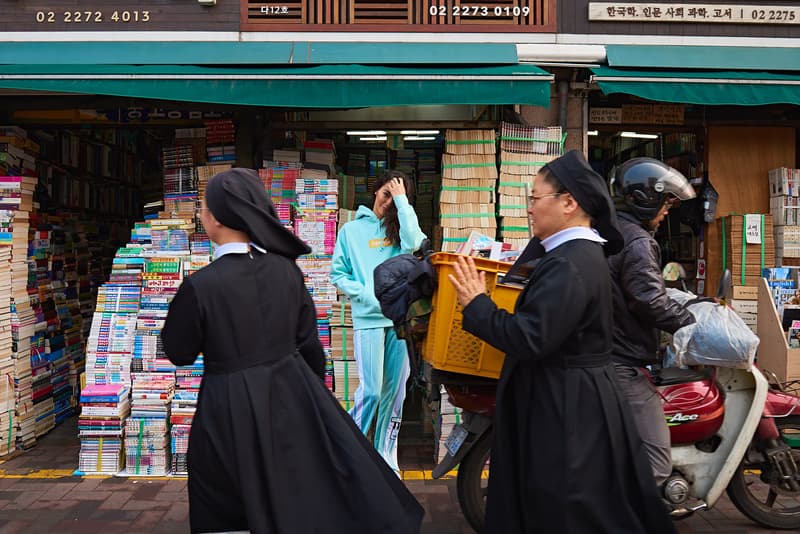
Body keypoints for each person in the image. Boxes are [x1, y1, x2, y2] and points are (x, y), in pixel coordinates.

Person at [161, 168, 423, 534]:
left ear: (217, 218)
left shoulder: (201, 285)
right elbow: (311, 349)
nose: (201, 215)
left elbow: (178, 351)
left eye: (203, 208)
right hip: (287, 398)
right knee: (290, 491)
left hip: (227, 407)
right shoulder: (286, 272)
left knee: (227, 500)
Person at [448, 150, 675, 533]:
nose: (530, 209)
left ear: (569, 203)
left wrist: (477, 305)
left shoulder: (571, 261)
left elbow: (530, 336)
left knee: (567, 506)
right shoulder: (574, 255)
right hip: (570, 399)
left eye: (535, 198)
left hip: (567, 409)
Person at [608, 157, 697, 488]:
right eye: (665, 203)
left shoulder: (608, 229)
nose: (666, 211)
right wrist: (690, 322)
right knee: (655, 464)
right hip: (622, 362)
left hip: (604, 352)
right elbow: (648, 300)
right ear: (645, 199)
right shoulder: (638, 242)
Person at [330, 169, 426, 475]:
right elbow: (338, 274)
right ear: (375, 192)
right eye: (386, 195)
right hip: (369, 321)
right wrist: (367, 295)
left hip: (400, 322)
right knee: (370, 390)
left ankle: (386, 456)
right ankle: (349, 452)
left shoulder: (400, 228)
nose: (388, 203)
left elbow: (416, 244)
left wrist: (403, 205)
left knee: (395, 394)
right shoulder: (351, 231)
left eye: (396, 198)